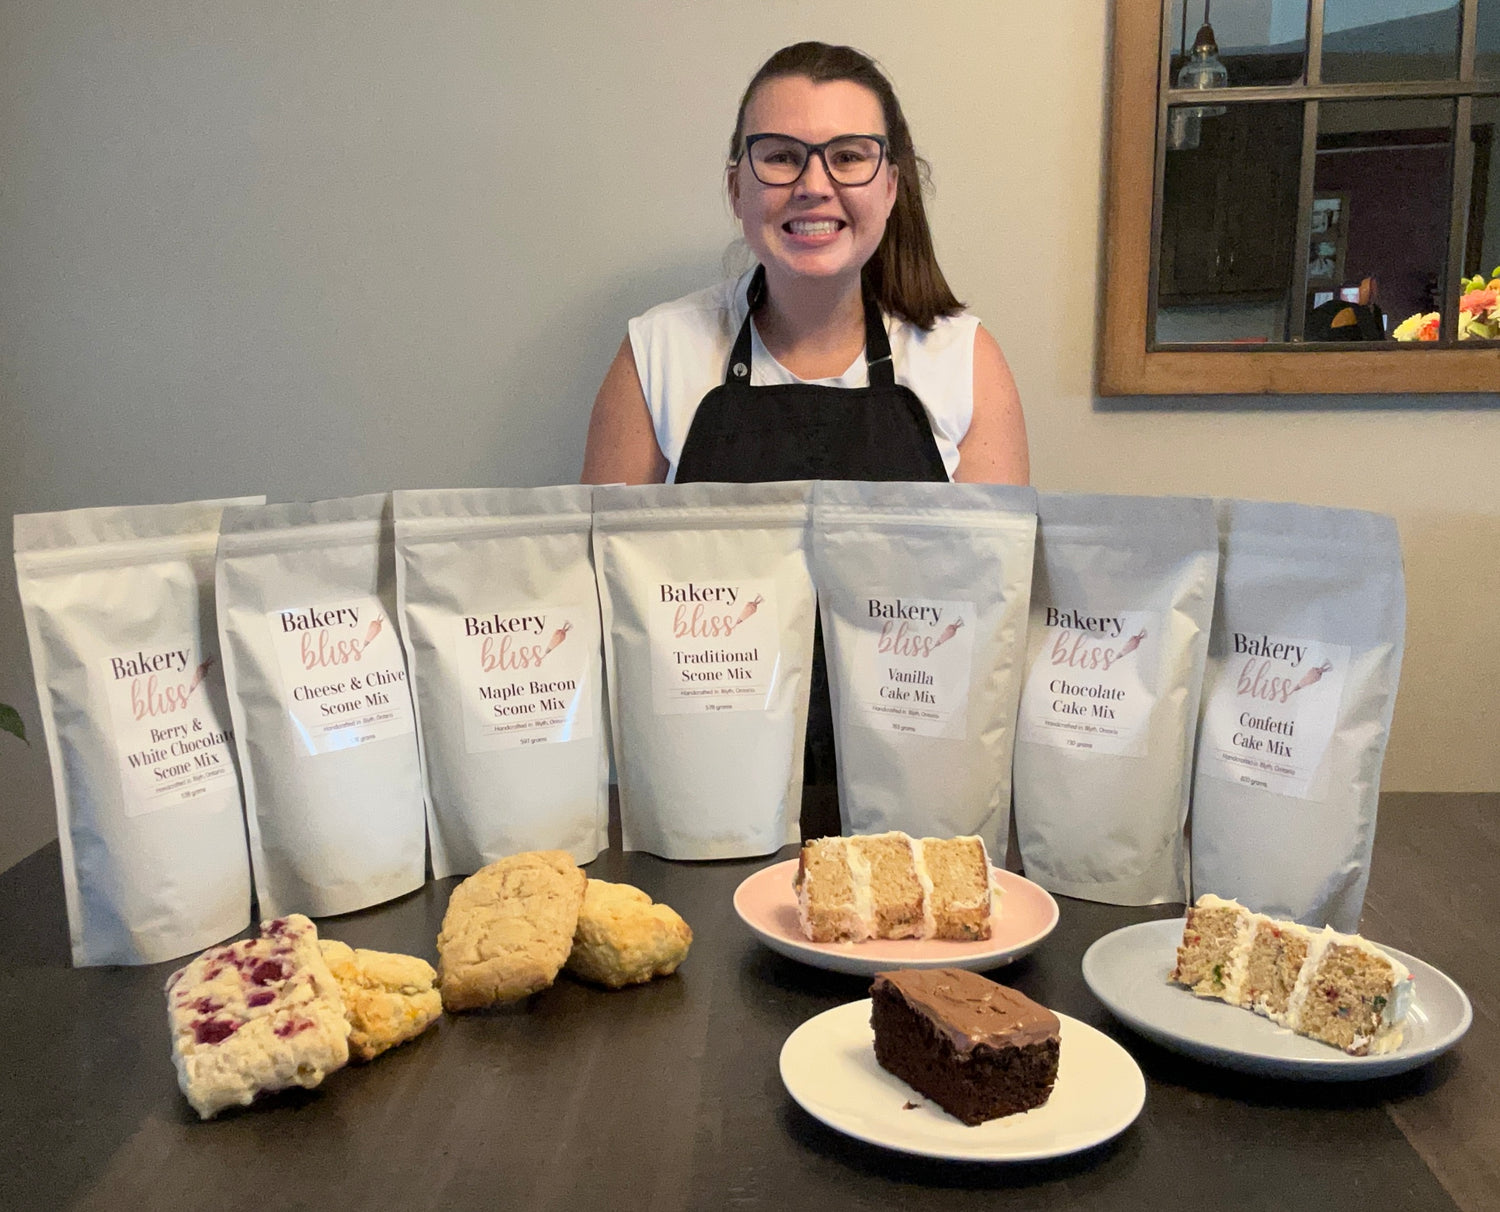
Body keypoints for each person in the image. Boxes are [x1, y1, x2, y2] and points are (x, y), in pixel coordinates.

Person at [581, 40, 1029, 488]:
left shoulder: (966, 363)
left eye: (848, 157)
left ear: (891, 187)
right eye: (781, 157)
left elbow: (997, 560)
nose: (814, 186)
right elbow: (605, 557)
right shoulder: (657, 354)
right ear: (737, 189)